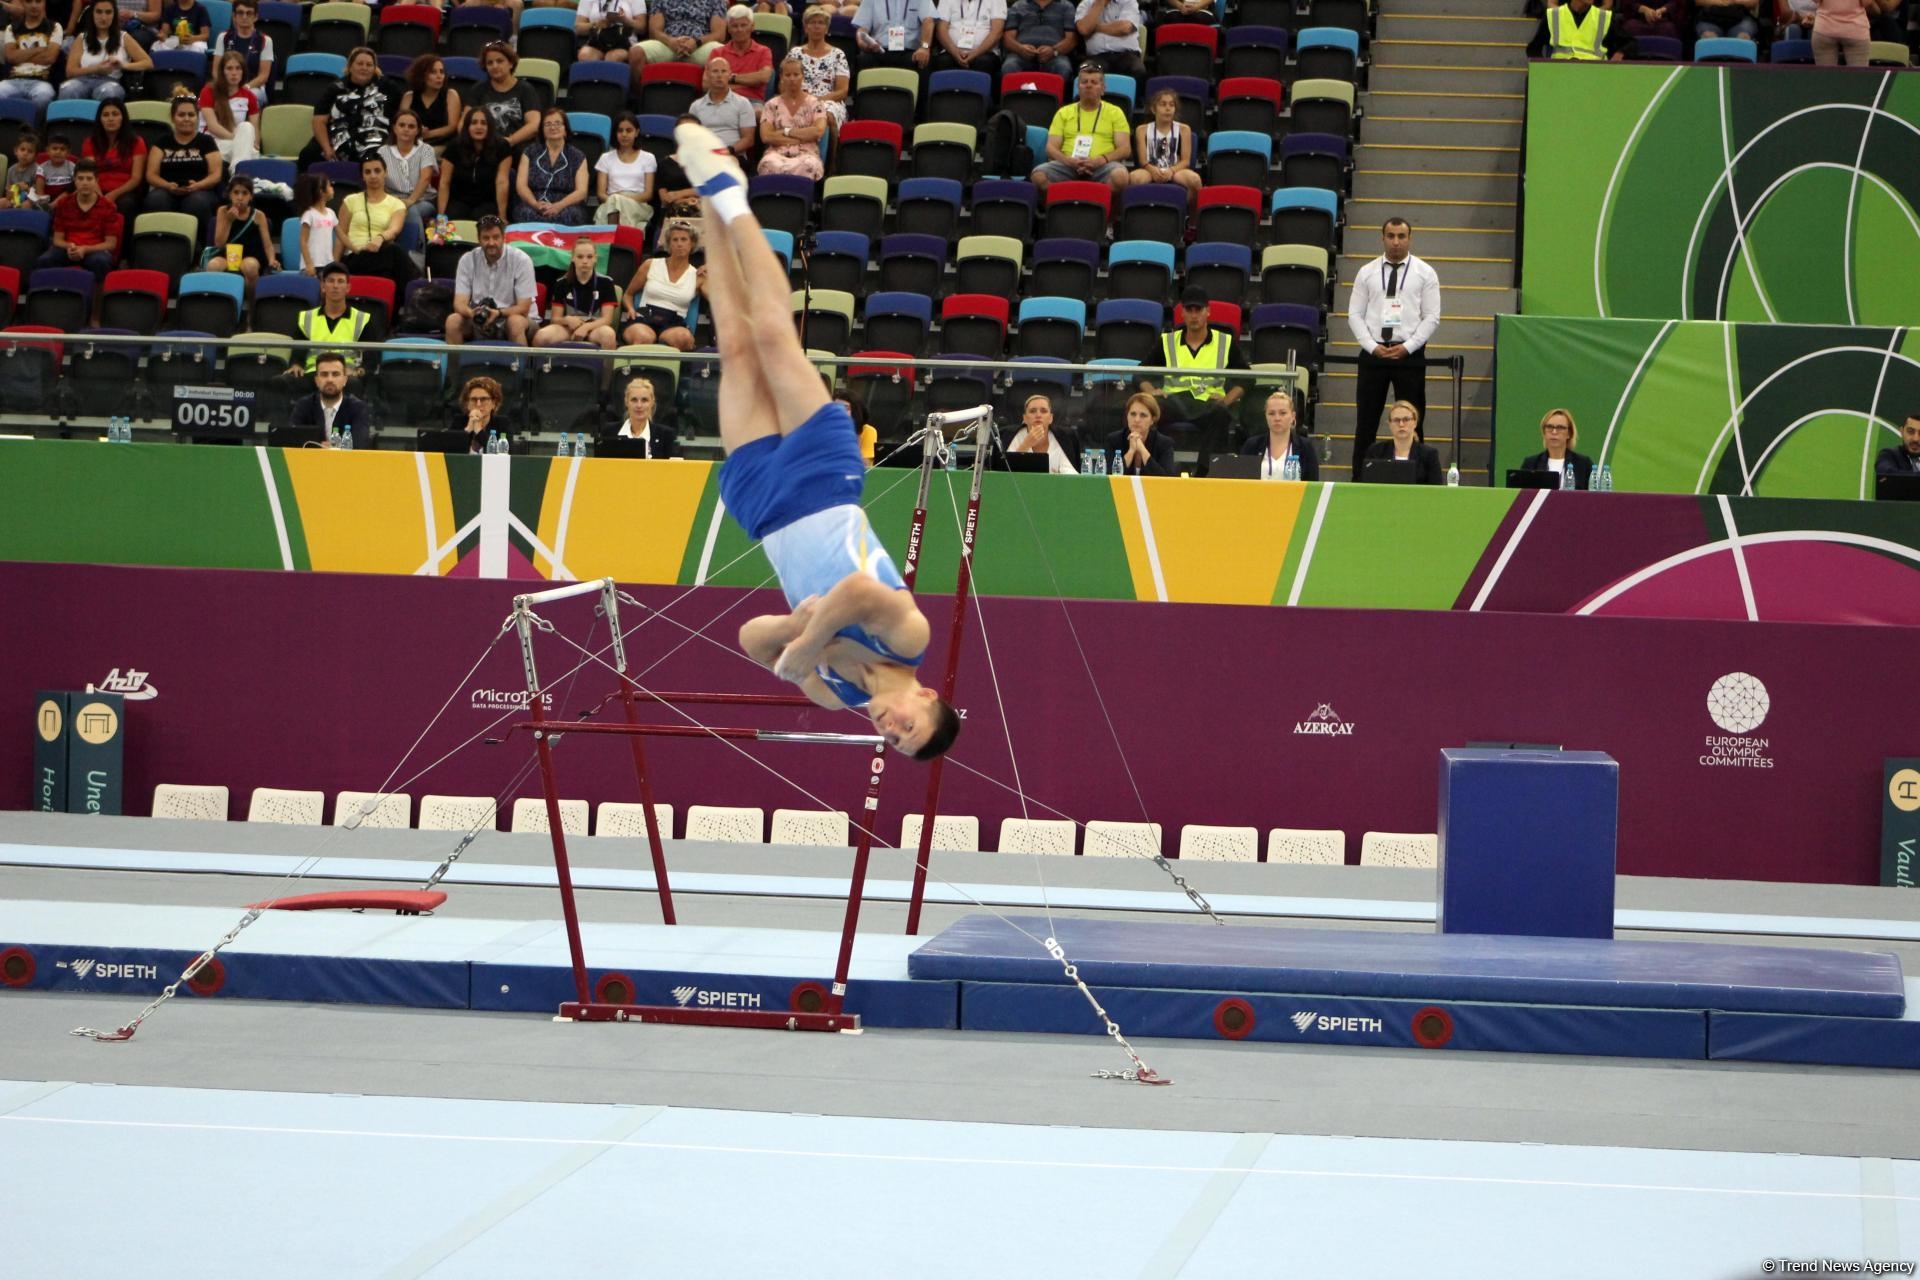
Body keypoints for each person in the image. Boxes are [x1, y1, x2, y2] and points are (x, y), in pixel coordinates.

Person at [675, 119, 959, 760]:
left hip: (765, 510)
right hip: (825, 485)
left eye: (894, 742)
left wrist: (790, 630)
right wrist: (805, 641)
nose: (890, 728)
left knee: (735, 343)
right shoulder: (910, 638)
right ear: (928, 698)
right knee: (775, 334)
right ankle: (732, 191)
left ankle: (708, 207)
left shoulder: (836, 696)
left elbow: (751, 638)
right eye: (909, 727)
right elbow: (860, 593)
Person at [1346, 217, 1441, 480]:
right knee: (1366, 422)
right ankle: (1359, 481)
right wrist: (1372, 346)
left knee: (1414, 420)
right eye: (1391, 236)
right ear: (1382, 238)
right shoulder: (1366, 272)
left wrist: (1408, 347)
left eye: (1401, 236)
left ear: (1410, 238)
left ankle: (1421, 480)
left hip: (1409, 355)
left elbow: (1432, 316)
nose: (1396, 242)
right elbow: (1354, 314)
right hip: (1373, 353)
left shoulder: (1425, 273)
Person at [1138, 286, 1247, 467]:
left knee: (1221, 414)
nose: (1194, 315)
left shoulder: (1224, 342)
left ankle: (1205, 475)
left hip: (1208, 404)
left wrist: (1227, 399)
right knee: (1146, 410)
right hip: (1173, 401)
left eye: (1199, 310)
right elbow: (1140, 373)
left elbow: (1247, 378)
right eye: (1189, 310)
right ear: (1182, 313)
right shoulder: (1167, 341)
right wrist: (1151, 391)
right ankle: (1154, 470)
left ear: (1208, 312)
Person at [1030, 62, 1130, 195]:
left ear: (1103, 88)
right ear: (1078, 87)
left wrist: (1101, 160)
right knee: (1038, 176)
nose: (1088, 85)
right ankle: (1066, 198)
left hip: (1102, 165)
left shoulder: (1115, 112)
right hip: (1068, 164)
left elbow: (1125, 149)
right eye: (1084, 82)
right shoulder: (1063, 112)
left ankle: (1092, 198)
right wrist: (1068, 161)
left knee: (1121, 178)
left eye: (1094, 82)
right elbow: (1050, 148)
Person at [447, 213, 537, 345]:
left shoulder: (521, 260)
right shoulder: (467, 259)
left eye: (496, 237)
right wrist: (471, 313)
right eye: (486, 238)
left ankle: (520, 365)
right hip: (479, 318)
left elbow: (523, 308)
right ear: (478, 239)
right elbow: (459, 303)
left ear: (503, 237)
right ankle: (454, 366)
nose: (491, 243)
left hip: (513, 317)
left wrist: (499, 313)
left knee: (515, 322)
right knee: (453, 321)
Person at [36, 160, 120, 293]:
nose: (85, 182)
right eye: (80, 178)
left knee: (100, 262)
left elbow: (110, 244)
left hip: (94, 250)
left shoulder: (108, 207)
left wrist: (85, 249)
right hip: (69, 248)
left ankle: (96, 311)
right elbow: (58, 240)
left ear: (96, 180)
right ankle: (50, 303)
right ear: (75, 181)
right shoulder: (63, 204)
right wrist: (71, 247)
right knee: (45, 260)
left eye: (89, 178)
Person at [143, 93, 222, 233]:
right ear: (173, 118)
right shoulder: (162, 142)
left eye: (191, 115)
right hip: (167, 189)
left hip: (200, 190)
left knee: (196, 203)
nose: (186, 119)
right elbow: (151, 174)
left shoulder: (206, 141)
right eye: (181, 115)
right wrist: (167, 185)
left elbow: (215, 174)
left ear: (197, 117)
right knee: (155, 200)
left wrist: (198, 185)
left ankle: (200, 247)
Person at [305, 46, 395, 167]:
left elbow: (401, 114)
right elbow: (318, 120)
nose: (364, 68)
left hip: (374, 135)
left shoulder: (387, 86)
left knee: (372, 156)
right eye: (360, 64)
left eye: (369, 65)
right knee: (308, 154)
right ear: (350, 66)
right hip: (338, 135)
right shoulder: (336, 88)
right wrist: (327, 148)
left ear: (374, 68)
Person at [620, 220, 701, 347]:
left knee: (683, 338)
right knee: (642, 336)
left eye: (684, 239)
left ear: (692, 243)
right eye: (675, 240)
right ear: (669, 244)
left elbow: (717, 301)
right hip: (644, 318)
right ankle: (637, 367)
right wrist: (630, 309)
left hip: (674, 323)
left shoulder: (698, 276)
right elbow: (628, 294)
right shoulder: (650, 264)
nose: (679, 244)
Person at [288, 262, 371, 388]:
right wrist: (296, 365)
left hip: (346, 376)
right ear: (322, 286)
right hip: (313, 374)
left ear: (348, 287)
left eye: (340, 281)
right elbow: (298, 352)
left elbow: (371, 356)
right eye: (331, 281)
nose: (335, 286)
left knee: (355, 384)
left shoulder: (362, 319)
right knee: (280, 382)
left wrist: (360, 370)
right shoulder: (306, 318)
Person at [535, 238, 621, 347]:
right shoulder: (561, 283)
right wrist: (566, 320)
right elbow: (555, 319)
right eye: (580, 257)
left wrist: (585, 327)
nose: (585, 261)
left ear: (595, 258)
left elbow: (607, 319)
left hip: (595, 327)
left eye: (589, 257)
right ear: (573, 258)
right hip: (568, 328)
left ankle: (608, 365)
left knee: (608, 335)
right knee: (541, 336)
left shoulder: (606, 282)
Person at [512, 106, 589, 225]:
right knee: (524, 213)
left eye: (558, 123)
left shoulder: (578, 156)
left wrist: (559, 206)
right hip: (535, 203)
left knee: (571, 215)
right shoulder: (529, 152)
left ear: (565, 129)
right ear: (542, 129)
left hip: (566, 205)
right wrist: (535, 204)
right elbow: (521, 186)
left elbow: (581, 191)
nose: (553, 127)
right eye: (548, 124)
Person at [60, 0, 150, 100]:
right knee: (68, 89)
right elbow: (70, 71)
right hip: (82, 80)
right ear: (92, 14)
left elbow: (147, 63)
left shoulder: (123, 37)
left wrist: (123, 65)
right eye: (99, 12)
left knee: (109, 91)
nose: (103, 17)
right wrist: (96, 69)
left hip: (110, 81)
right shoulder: (82, 38)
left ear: (114, 14)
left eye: (108, 12)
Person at [339, 153, 410, 279]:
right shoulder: (350, 201)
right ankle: (419, 285)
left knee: (389, 261)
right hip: (356, 256)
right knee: (393, 253)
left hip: (381, 254)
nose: (373, 176)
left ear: (385, 173)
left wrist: (380, 238)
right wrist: (334, 266)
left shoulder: (397, 204)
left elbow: (394, 230)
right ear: (363, 176)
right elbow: (340, 236)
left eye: (377, 171)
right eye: (367, 172)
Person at [287, 351, 375, 449]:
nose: (330, 380)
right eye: (324, 374)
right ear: (316, 380)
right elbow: (292, 441)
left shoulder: (358, 408)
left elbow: (360, 444)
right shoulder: (303, 405)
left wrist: (332, 448)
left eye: (335, 374)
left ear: (345, 380)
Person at [1127, 86, 1198, 207]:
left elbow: (1186, 161)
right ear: (1154, 109)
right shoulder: (1142, 130)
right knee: (1134, 178)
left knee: (1194, 180)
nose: (1168, 108)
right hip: (1149, 169)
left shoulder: (1184, 129)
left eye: (1171, 105)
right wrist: (1152, 170)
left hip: (1176, 170)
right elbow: (1143, 160)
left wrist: (1171, 171)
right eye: (1163, 104)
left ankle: (1191, 221)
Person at [207, 172, 277, 293]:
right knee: (213, 266)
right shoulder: (223, 211)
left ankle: (252, 307)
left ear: (251, 196)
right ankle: (222, 305)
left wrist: (272, 260)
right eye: (236, 192)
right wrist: (229, 221)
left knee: (250, 267)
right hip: (226, 255)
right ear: (230, 195)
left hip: (251, 255)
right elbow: (219, 243)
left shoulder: (258, 215)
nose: (240, 197)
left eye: (244, 193)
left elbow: (268, 244)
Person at [437, 107, 510, 221]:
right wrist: (441, 217)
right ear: (467, 127)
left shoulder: (502, 147)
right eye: (474, 123)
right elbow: (444, 183)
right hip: (458, 201)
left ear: (489, 127)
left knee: (484, 221)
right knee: (455, 218)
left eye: (483, 123)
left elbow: (502, 183)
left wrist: (502, 216)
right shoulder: (454, 146)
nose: (479, 127)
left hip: (488, 202)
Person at [378, 108, 436, 251]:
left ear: (417, 130)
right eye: (402, 125)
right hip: (392, 200)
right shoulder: (382, 152)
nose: (406, 129)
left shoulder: (426, 150)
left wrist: (409, 201)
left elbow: (426, 178)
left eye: (411, 126)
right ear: (394, 128)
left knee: (410, 210)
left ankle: (416, 257)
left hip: (423, 200)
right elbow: (378, 182)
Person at [757, 59, 826, 179]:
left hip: (806, 154)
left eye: (796, 74)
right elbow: (766, 136)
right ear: (782, 77)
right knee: (768, 164)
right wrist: (801, 137)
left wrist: (786, 132)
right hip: (777, 154)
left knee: (809, 165)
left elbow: (817, 131)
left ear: (803, 76)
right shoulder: (771, 105)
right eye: (788, 75)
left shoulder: (815, 104)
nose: (792, 78)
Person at [786, 5, 850, 127]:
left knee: (825, 114)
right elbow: (784, 84)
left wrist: (817, 100)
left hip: (829, 101)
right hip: (798, 99)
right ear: (805, 28)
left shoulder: (838, 54)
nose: (816, 26)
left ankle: (830, 147)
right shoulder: (795, 53)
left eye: (821, 23)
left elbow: (842, 91)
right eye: (812, 22)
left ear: (826, 29)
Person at [82, 98, 145, 220]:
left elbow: (136, 178)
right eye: (105, 115)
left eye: (115, 114)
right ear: (100, 119)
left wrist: (113, 195)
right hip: (96, 189)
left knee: (126, 204)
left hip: (125, 192)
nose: (110, 119)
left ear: (123, 118)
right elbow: (89, 173)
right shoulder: (90, 142)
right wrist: (100, 198)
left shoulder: (136, 142)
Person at [1238, 389, 1319, 481]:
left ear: (1293, 416)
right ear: (1266, 416)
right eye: (1271, 413)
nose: (1277, 418)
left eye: (1283, 413)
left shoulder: (1305, 447)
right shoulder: (1252, 445)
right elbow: (1242, 482)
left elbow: (1312, 485)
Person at [593, 111, 656, 228]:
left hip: (638, 203)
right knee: (613, 205)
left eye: (629, 130)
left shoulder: (648, 158)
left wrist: (621, 198)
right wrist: (615, 200)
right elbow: (601, 194)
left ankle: (611, 240)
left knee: (615, 203)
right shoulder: (605, 158)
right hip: (611, 201)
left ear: (636, 132)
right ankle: (619, 240)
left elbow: (648, 194)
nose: (624, 134)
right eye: (620, 130)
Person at [197, 49, 259, 169]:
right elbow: (212, 126)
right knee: (249, 153)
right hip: (212, 142)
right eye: (229, 68)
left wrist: (254, 144)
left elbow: (255, 129)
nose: (234, 73)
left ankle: (236, 173)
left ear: (243, 71)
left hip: (234, 144)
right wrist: (239, 141)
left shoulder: (249, 96)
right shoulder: (208, 91)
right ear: (222, 72)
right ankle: (240, 174)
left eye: (238, 68)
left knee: (247, 127)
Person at [474, 42, 542, 150]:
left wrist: (509, 141)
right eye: (490, 63)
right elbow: (465, 122)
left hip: (519, 145)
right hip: (486, 147)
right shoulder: (478, 90)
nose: (494, 66)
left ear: (511, 63)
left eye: (500, 61)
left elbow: (534, 125)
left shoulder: (526, 89)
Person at [1360, 400, 1442, 484]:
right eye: (1396, 420)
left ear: (1415, 422)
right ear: (1390, 424)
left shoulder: (1429, 455)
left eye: (1406, 419)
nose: (1401, 424)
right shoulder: (1376, 452)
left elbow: (1437, 490)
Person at [0, 0, 61, 111]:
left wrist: (20, 54)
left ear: (44, 3)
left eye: (38, 1)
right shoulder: (11, 28)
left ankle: (35, 128)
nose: (34, 5)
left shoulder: (55, 27)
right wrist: (39, 49)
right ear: (23, 3)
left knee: (44, 96)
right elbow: (11, 57)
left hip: (41, 81)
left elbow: (50, 57)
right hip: (13, 80)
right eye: (29, 1)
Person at [690, 57, 757, 156]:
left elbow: (748, 139)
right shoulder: (696, 106)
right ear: (708, 74)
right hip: (703, 155)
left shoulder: (743, 103)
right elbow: (691, 137)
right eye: (715, 71)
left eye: (723, 71)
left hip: (733, 155)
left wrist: (727, 151)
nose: (719, 75)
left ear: (730, 75)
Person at [851, 0, 932, 79]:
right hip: (879, 50)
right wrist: (864, 45)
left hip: (910, 51)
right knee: (864, 59)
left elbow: (929, 21)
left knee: (922, 60)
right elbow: (862, 29)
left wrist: (925, 47)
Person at [211, 0, 272, 105]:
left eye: (249, 13)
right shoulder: (223, 37)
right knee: (209, 94)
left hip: (252, 87)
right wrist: (226, 87)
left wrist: (244, 88)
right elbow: (215, 71)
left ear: (256, 17)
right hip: (226, 85)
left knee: (246, 98)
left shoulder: (265, 40)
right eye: (240, 13)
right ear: (234, 16)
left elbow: (263, 76)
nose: (244, 17)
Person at [1527, 0, 1636, 57]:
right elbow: (1533, 49)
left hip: (1594, 75)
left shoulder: (1603, 17)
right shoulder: (1554, 16)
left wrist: (1620, 53)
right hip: (1561, 75)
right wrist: (1544, 68)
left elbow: (1631, 43)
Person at [1104, 392, 1176, 476]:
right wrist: (1131, 451)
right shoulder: (1114, 440)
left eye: (1143, 415)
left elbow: (1167, 479)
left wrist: (1142, 449)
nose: (1137, 419)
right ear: (1127, 416)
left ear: (1152, 420)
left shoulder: (1164, 443)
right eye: (1133, 414)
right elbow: (1109, 477)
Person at [1006, 392, 1081, 474]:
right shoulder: (1014, 436)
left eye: (1043, 411)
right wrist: (1026, 444)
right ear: (1025, 418)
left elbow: (1070, 472)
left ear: (1050, 418)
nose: (1038, 415)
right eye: (1032, 411)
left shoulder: (1062, 438)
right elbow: (1007, 471)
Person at [1520, 407, 1593, 489]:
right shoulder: (1531, 464)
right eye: (1549, 427)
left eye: (1560, 427)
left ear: (1569, 433)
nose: (1554, 432)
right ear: (1544, 432)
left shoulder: (1583, 464)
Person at [399, 56, 461, 152]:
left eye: (441, 72)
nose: (439, 76)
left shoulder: (451, 94)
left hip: (442, 144)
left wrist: (428, 134)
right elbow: (401, 124)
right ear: (421, 75)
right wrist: (416, 132)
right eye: (433, 72)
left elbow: (452, 126)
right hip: (412, 142)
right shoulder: (409, 97)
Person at [604, 377, 681, 454]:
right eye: (634, 400)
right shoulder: (609, 432)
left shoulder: (666, 435)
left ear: (652, 403)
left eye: (644, 400)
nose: (639, 405)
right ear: (626, 402)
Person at [1001, 0, 1075, 78]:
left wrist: (1054, 51)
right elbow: (1007, 38)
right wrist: (1020, 49)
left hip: (1055, 55)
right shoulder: (1018, 6)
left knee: (1063, 68)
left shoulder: (1066, 6)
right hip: (1021, 54)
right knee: (1009, 67)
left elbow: (1072, 39)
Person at [711, 4, 773, 98]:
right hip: (722, 99)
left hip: (752, 102)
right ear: (729, 29)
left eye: (743, 25)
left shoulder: (764, 51)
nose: (739, 29)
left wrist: (731, 79)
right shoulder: (717, 52)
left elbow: (764, 77)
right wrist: (750, 82)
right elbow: (707, 84)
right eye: (735, 26)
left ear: (752, 26)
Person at [931, 0, 1003, 79]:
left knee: (983, 63)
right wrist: (954, 52)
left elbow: (997, 32)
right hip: (951, 51)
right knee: (943, 62)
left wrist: (975, 53)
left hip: (985, 52)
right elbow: (940, 30)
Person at [639, 0, 727, 64]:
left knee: (724, 54)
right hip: (667, 45)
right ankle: (639, 90)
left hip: (700, 45)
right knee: (637, 53)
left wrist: (697, 42)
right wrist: (671, 42)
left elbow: (719, 34)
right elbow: (654, 31)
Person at [1074, 0, 1141, 80]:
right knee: (1087, 71)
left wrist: (1095, 28)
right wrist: (1099, 4)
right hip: (1096, 56)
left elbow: (1124, 28)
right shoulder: (1085, 4)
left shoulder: (1129, 2)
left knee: (1138, 70)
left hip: (1126, 55)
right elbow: (1084, 29)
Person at [452, 373, 516, 452]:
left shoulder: (503, 424)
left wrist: (479, 431)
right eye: (473, 399)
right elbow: (449, 453)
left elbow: (506, 454)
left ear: (494, 403)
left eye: (483, 399)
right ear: (467, 404)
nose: (478, 404)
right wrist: (467, 431)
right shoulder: (458, 421)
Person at [576, 0, 646, 65]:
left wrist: (625, 20)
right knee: (585, 55)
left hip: (624, 41)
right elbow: (578, 28)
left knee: (613, 58)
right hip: (597, 41)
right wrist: (596, 24)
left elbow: (641, 27)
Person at [294, 170, 336, 273]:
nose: (332, 188)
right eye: (329, 186)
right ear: (321, 192)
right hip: (311, 266)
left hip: (327, 263)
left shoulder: (331, 213)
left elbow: (342, 235)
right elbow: (303, 241)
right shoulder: (309, 214)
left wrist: (356, 249)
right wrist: (309, 264)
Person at [1619, 0, 1686, 43]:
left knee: (1669, 29)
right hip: (1638, 18)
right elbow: (1627, 3)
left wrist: (1662, 10)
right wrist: (1644, 9)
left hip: (1665, 19)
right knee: (1630, 28)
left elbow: (1677, 3)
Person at [32, 133, 72, 204]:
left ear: (68, 153)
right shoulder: (41, 168)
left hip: (68, 202)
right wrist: (45, 205)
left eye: (62, 149)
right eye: (54, 148)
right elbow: (40, 192)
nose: (58, 152)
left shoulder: (72, 167)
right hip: (47, 202)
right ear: (48, 151)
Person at [1690, 0, 1761, 38]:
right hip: (1709, 18)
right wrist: (1722, 2)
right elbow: (1698, 1)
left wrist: (1730, 1)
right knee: (1708, 36)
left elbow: (1752, 2)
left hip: (1741, 19)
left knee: (1743, 37)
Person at [0, 132, 36, 208]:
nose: (25, 153)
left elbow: (38, 194)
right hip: (14, 200)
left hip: (29, 200)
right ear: (16, 151)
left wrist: (27, 188)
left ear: (35, 155)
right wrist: (10, 192)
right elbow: (8, 195)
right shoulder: (11, 170)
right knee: (2, 202)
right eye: (22, 149)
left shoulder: (36, 169)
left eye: (30, 151)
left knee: (26, 204)